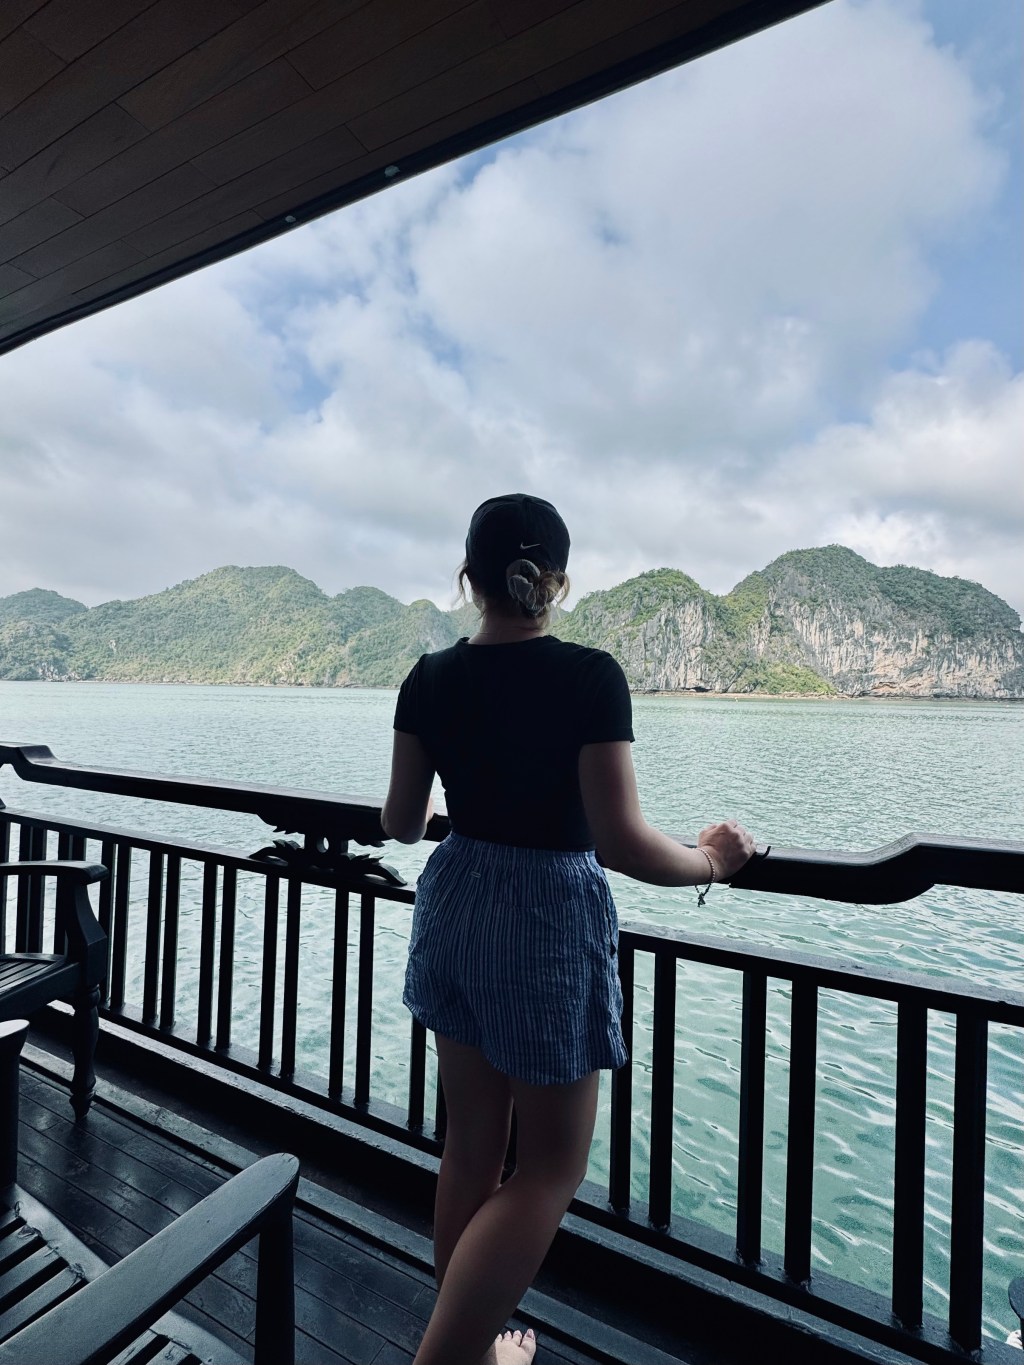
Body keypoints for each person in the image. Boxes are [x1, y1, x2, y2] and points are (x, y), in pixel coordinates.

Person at [382, 494, 755, 1365]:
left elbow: (401, 822)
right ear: (555, 582)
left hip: (455, 900)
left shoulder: (427, 677)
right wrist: (712, 861)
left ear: (469, 577)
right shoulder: (589, 676)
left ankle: (473, 1348)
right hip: (546, 916)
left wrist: (463, 799)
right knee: (549, 1168)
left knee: (471, 1147)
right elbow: (620, 841)